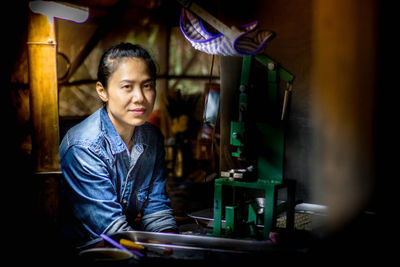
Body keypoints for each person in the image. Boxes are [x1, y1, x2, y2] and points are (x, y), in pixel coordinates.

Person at [59, 43, 177, 246]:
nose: (139, 97)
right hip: (88, 253)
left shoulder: (152, 137)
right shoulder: (83, 147)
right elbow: (111, 231)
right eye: (127, 87)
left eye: (147, 85)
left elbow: (156, 209)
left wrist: (174, 247)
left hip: (129, 244)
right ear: (102, 91)